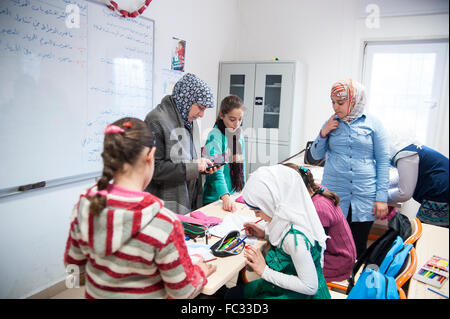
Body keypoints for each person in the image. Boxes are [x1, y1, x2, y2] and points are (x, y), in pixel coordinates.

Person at [64, 117, 216, 299]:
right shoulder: (164, 222)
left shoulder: (85, 205)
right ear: (150, 156)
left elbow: (74, 269)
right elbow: (182, 291)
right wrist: (199, 271)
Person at [310, 79, 390, 259]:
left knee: (357, 245)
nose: (335, 107)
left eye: (340, 102)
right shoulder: (331, 122)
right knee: (329, 242)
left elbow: (383, 161)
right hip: (334, 195)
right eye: (333, 102)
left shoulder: (373, 124)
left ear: (355, 101)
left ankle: (353, 283)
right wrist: (323, 133)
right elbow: (315, 155)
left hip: (363, 196)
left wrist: (381, 198)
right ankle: (328, 279)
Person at [226, 164, 331, 299]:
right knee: (233, 294)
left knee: (234, 295)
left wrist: (264, 271)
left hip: (300, 294)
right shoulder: (294, 215)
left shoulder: (294, 239)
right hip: (288, 285)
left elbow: (309, 287)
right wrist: (265, 233)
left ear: (273, 203)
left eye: (258, 211)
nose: (257, 216)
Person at [145, 73, 218, 215]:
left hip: (188, 201)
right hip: (164, 207)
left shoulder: (189, 121)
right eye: (200, 108)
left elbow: (189, 159)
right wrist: (193, 167)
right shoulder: (156, 120)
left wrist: (202, 167)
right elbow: (154, 169)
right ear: (186, 99)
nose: (202, 114)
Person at [283, 163, 356, 282]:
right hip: (338, 256)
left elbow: (312, 251)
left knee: (282, 266)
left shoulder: (318, 208)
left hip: (336, 262)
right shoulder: (315, 190)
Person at [388, 134, 449, 227]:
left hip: (442, 193)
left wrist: (380, 195)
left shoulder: (405, 156)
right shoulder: (411, 149)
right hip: (443, 190)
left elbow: (404, 194)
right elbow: (402, 178)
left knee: (427, 235)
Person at [202, 95, 246, 212]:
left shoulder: (239, 135)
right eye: (232, 119)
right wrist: (225, 197)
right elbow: (216, 172)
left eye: (240, 119)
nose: (237, 124)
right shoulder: (215, 135)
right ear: (222, 115)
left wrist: (243, 191)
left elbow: (242, 166)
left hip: (233, 195)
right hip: (216, 198)